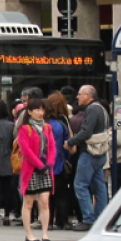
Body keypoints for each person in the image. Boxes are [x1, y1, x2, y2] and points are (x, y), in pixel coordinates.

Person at [66, 84, 111, 230]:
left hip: (90, 152)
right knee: (99, 187)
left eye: (80, 94)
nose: (77, 97)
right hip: (101, 152)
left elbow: (86, 132)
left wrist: (70, 142)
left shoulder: (91, 109)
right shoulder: (102, 109)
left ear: (89, 96)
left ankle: (88, 219)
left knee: (80, 184)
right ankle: (101, 218)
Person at [17, 97, 56, 241]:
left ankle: (45, 233)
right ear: (29, 112)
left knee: (44, 201)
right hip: (32, 169)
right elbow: (26, 151)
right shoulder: (24, 129)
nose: (40, 113)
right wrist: (40, 165)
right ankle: (29, 234)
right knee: (28, 202)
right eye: (37, 110)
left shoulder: (47, 128)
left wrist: (49, 164)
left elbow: (52, 147)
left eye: (42, 109)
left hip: (46, 169)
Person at [46, 92, 75, 230]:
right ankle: (63, 221)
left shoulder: (44, 124)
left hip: (45, 162)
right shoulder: (62, 124)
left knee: (47, 194)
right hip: (60, 162)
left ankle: (48, 221)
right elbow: (68, 143)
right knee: (62, 193)